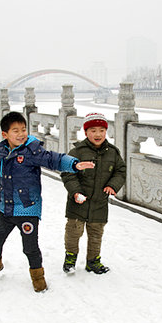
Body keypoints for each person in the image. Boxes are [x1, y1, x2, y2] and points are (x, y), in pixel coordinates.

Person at [0, 111, 94, 292]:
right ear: (5, 135)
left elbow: (52, 158)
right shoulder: (1, 151)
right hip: (7, 209)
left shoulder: (32, 151)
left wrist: (73, 164)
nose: (21, 134)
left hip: (28, 209)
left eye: (23, 129)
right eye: (15, 131)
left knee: (30, 248)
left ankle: (38, 277)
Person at [60, 113, 126, 274]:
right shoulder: (77, 151)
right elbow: (67, 173)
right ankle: (70, 259)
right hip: (78, 202)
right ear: (86, 132)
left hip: (99, 203)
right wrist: (75, 192)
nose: (98, 134)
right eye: (93, 130)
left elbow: (121, 171)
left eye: (102, 130)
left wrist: (113, 185)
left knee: (96, 234)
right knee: (73, 233)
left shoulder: (113, 152)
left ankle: (93, 261)